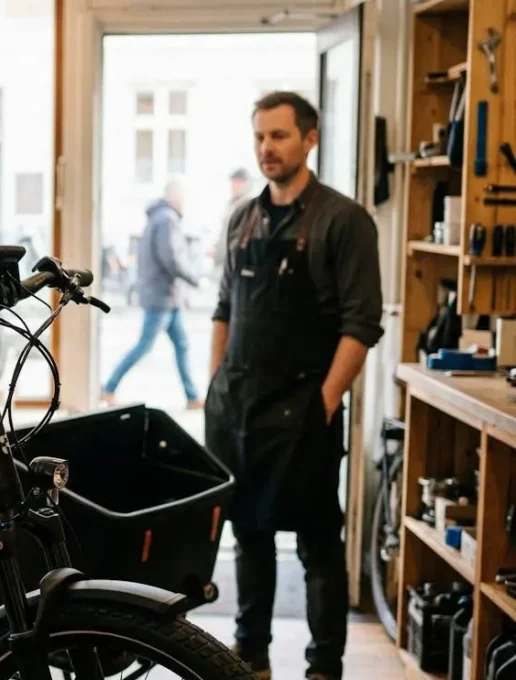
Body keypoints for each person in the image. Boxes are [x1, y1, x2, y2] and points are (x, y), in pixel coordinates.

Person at [204, 92, 383, 680]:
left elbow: (361, 324)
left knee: (317, 545)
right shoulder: (242, 217)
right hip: (239, 409)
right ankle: (250, 656)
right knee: (249, 536)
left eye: (279, 136)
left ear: (309, 140)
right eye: (259, 137)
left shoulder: (343, 220)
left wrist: (324, 404)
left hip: (304, 407)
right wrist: (215, 386)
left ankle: (323, 665)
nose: (266, 148)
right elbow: (225, 306)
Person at [100, 179, 201, 408]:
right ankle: (109, 387)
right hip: (162, 296)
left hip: (166, 296)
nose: (185, 203)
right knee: (145, 345)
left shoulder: (158, 217)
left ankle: (192, 397)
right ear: (174, 197)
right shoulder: (167, 219)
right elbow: (172, 258)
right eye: (183, 197)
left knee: (182, 345)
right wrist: (193, 278)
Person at [214, 167, 251, 279]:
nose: (233, 186)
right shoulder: (231, 204)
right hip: (225, 263)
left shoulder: (247, 206)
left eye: (237, 182)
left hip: (237, 265)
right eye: (233, 182)